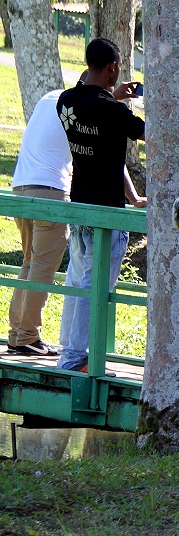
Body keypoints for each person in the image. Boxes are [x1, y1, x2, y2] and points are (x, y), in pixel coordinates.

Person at [56, 38, 146, 373]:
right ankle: (76, 359)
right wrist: (122, 101)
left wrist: (112, 95)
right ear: (113, 68)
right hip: (107, 213)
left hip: (79, 207)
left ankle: (70, 352)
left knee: (77, 281)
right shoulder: (113, 112)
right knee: (94, 289)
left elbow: (87, 97)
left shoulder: (66, 102)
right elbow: (152, 133)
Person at [6, 89, 72, 356]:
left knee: (30, 263)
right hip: (50, 191)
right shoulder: (82, 107)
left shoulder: (50, 98)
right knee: (43, 267)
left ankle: (17, 334)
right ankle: (28, 336)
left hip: (20, 188)